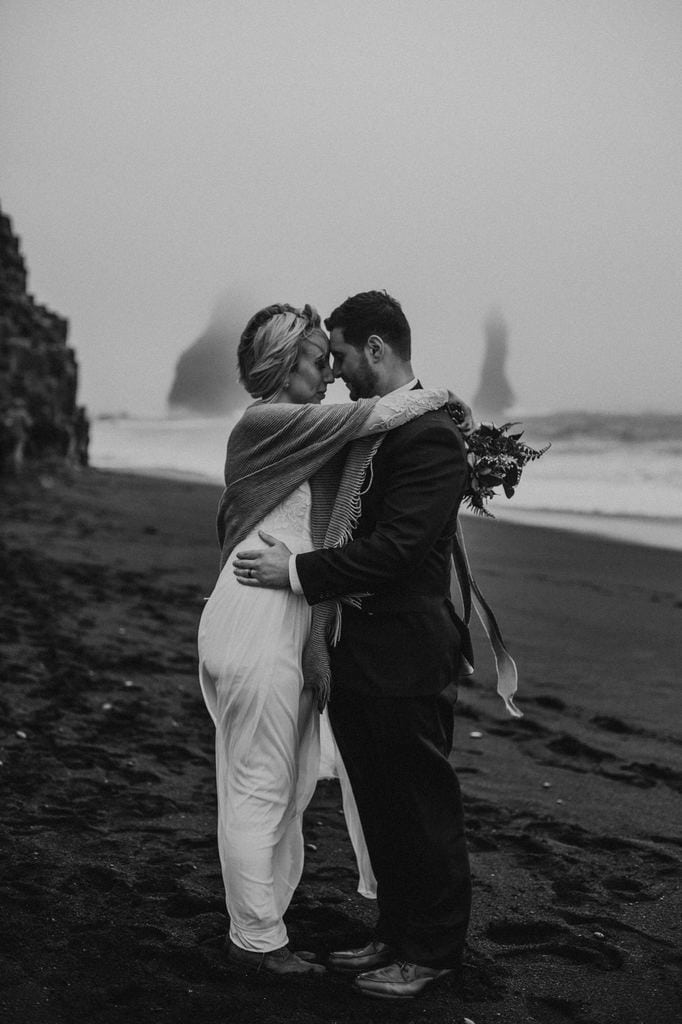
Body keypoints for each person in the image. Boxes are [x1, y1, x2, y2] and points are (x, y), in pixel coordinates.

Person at [197, 301, 459, 977]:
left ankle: (406, 941)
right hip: (263, 611)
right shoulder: (277, 422)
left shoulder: (328, 433)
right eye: (321, 358)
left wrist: (451, 434)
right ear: (286, 366)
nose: (333, 373)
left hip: (321, 625)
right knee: (264, 783)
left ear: (372, 348)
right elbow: (375, 417)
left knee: (320, 793)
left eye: (336, 356)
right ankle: (259, 939)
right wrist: (444, 402)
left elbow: (388, 525)